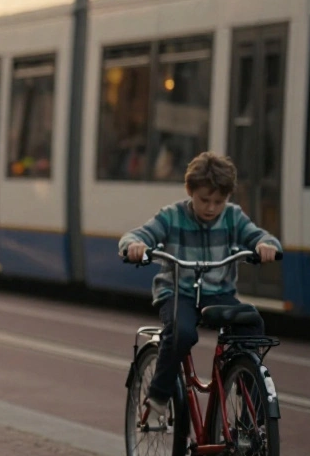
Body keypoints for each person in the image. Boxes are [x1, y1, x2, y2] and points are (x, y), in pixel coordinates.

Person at [119, 151, 281, 416]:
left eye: (219, 201)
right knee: (182, 333)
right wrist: (135, 246)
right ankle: (159, 393)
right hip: (178, 293)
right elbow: (138, 234)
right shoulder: (172, 216)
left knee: (252, 323)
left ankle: (251, 407)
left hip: (218, 295)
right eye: (204, 200)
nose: (211, 208)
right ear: (190, 191)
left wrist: (266, 245)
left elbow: (259, 236)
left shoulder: (232, 216)